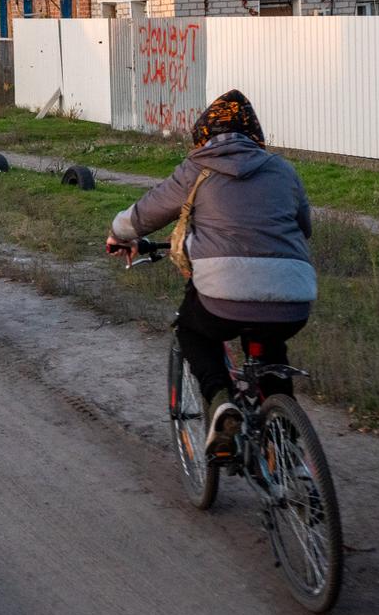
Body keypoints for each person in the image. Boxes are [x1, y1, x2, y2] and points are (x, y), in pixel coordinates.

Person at [106, 90, 315, 459]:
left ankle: (221, 403)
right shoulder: (283, 170)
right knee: (270, 346)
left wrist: (118, 233)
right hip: (293, 296)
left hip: (222, 296)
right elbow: (305, 226)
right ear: (254, 133)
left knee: (192, 330)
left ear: (201, 135)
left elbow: (144, 215)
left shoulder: (196, 170)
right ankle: (289, 457)